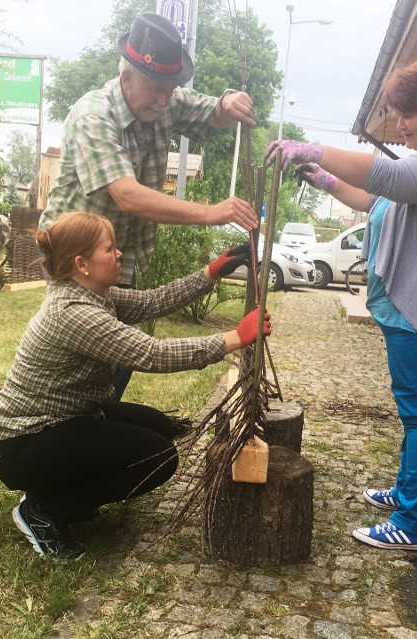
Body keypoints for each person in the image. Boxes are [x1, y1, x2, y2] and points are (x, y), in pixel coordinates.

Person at [274, 58, 417, 551]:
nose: (399, 126)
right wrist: (319, 176)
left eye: (407, 115)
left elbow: (395, 182)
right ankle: (407, 491)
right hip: (409, 308)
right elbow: (374, 199)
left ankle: (415, 524)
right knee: (413, 410)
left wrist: (315, 147)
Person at [0, 211, 271, 561]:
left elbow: (151, 302)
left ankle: (62, 488)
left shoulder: (91, 294)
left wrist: (209, 273)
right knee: (159, 458)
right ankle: (44, 510)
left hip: (63, 422)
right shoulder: (74, 313)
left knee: (159, 428)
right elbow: (152, 354)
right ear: (82, 263)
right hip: (25, 442)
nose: (118, 254)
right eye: (109, 248)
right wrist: (234, 338)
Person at [41, 12, 258, 401]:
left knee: (118, 359)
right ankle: (65, 427)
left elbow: (214, 111)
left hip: (121, 256)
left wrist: (230, 102)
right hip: (76, 261)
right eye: (156, 88)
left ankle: (97, 422)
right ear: (126, 78)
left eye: (171, 88)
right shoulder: (93, 115)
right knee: (91, 361)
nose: (164, 100)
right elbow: (128, 195)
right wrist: (213, 213)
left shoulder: (165, 102)